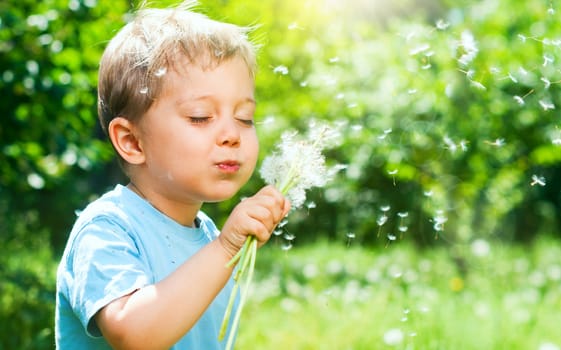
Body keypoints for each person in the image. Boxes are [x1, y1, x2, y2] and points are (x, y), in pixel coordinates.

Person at [55, 2, 290, 349]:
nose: (232, 134)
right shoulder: (107, 228)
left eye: (244, 117)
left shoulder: (207, 234)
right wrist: (226, 247)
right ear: (133, 142)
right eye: (200, 116)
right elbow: (133, 333)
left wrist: (222, 245)